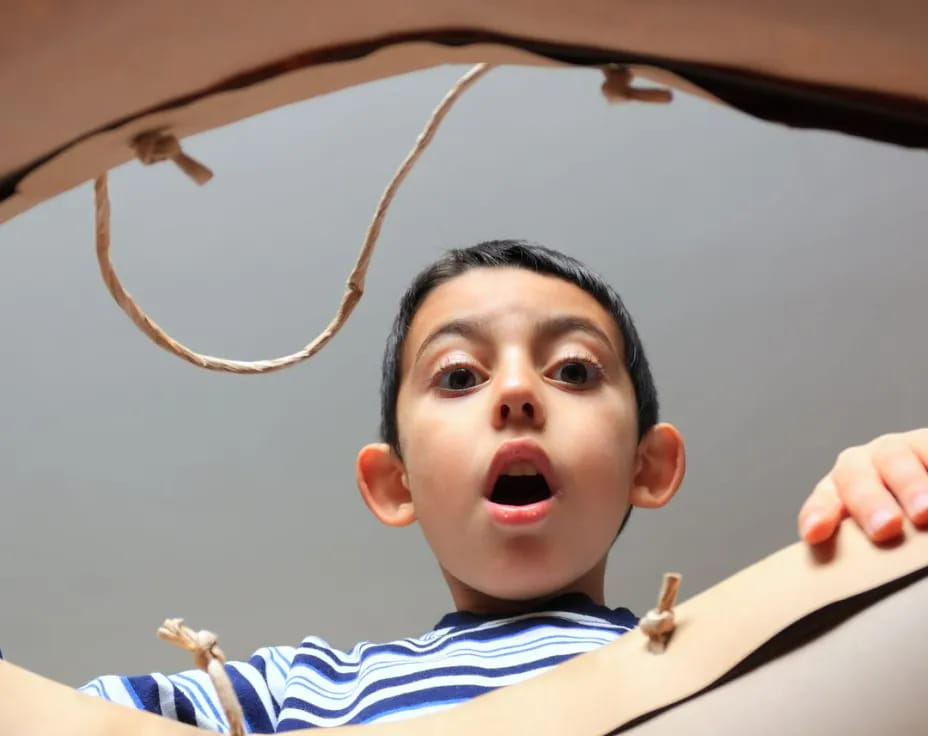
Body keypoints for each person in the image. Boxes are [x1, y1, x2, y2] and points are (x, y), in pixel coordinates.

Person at [58, 241, 928, 730]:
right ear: (394, 484)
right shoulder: (303, 693)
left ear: (648, 467)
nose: (517, 393)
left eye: (575, 370)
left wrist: (894, 505)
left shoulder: (723, 654)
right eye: (460, 377)